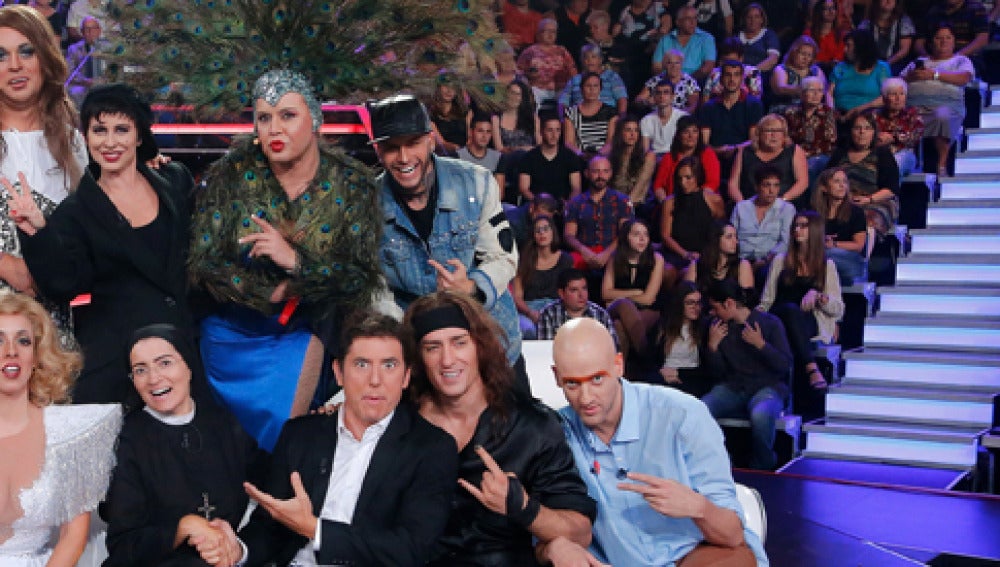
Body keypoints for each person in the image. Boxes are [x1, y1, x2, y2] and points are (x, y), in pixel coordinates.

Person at [189, 71, 384, 451]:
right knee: (224, 449)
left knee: (281, 442)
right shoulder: (230, 176)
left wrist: (297, 265)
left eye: (288, 115)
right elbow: (204, 263)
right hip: (229, 332)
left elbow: (359, 277)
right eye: (264, 118)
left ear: (315, 119)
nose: (274, 129)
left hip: (302, 329)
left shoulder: (352, 184)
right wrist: (268, 293)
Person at [14, 84, 197, 410]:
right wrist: (38, 232)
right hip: (117, 361)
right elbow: (64, 284)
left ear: (139, 136)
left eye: (121, 130)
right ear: (86, 137)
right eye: (99, 130)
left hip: (180, 350)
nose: (110, 142)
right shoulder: (76, 211)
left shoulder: (175, 180)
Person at [229, 310, 458, 566]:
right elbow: (269, 528)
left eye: (389, 365)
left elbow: (411, 550)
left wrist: (316, 530)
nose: (375, 380)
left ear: (406, 376)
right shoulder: (300, 434)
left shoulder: (432, 448)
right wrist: (237, 551)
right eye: (362, 364)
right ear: (339, 373)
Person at [540, 317, 766, 566]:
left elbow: (732, 535)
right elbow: (536, 530)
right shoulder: (554, 434)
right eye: (572, 383)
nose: (586, 398)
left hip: (696, 555)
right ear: (557, 377)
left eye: (597, 379)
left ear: (618, 365)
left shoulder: (683, 415)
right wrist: (552, 547)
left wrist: (698, 507)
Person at [404, 291, 597, 566]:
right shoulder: (399, 424)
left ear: (480, 346)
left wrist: (523, 507)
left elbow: (580, 533)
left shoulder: (532, 426)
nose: (447, 360)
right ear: (418, 357)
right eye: (432, 347)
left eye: (459, 343)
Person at [371, 94, 524, 370]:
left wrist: (471, 288)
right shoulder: (367, 205)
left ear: (430, 140)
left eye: (413, 143)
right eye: (392, 148)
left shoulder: (477, 183)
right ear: (378, 151)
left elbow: (503, 257)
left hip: (491, 347)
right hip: (419, 352)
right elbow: (374, 286)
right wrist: (409, 335)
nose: (404, 158)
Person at [103, 324, 268, 567]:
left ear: (189, 366)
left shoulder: (223, 423)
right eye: (140, 370)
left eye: (165, 363)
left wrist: (237, 548)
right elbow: (123, 547)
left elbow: (272, 489)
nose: (154, 378)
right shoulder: (128, 440)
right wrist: (182, 528)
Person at [0, 292, 120, 566]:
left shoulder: (70, 434)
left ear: (36, 356)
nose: (11, 351)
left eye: (23, 340)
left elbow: (72, 537)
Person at [0, 5, 87, 350]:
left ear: (45, 59)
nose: (15, 66)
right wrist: (7, 265)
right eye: (1, 56)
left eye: (26, 51)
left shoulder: (74, 144)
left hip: (52, 328)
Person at [702, 278, 792, 471]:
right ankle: (723, 461)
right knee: (702, 409)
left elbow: (785, 365)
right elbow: (717, 374)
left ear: (729, 303)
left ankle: (763, 465)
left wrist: (761, 346)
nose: (712, 313)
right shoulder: (718, 328)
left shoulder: (770, 323)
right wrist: (713, 348)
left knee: (761, 415)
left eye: (715, 308)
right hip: (733, 387)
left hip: (767, 387)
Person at [759, 210, 844, 390]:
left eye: (803, 226)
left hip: (806, 321)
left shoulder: (826, 266)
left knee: (795, 319)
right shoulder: (781, 261)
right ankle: (811, 368)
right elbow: (767, 300)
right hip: (779, 316)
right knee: (790, 310)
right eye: (795, 226)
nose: (797, 230)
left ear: (815, 230)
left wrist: (819, 296)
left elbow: (838, 308)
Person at [901, 23, 975, 177]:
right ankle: (909, 162)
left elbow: (964, 78)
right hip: (914, 106)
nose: (944, 41)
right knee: (905, 117)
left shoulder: (960, 60)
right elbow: (900, 81)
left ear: (954, 41)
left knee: (942, 115)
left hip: (946, 105)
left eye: (948, 38)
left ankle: (941, 164)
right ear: (931, 42)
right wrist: (911, 77)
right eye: (939, 38)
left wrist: (934, 75)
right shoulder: (919, 61)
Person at [826, 111, 901, 234]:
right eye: (857, 128)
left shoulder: (883, 154)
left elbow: (891, 189)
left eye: (867, 128)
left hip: (875, 201)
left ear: (873, 132)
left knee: (867, 218)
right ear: (851, 131)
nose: (862, 132)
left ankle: (862, 245)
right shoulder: (839, 154)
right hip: (841, 201)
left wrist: (868, 199)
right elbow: (826, 180)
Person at [603, 218, 665, 360]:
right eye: (637, 234)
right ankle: (647, 359)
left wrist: (617, 295)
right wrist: (635, 292)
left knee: (619, 326)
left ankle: (621, 370)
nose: (642, 239)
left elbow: (648, 299)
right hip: (617, 308)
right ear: (626, 237)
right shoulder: (615, 258)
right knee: (623, 304)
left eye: (646, 234)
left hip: (648, 309)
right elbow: (605, 293)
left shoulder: (656, 259)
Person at [563, 155, 633, 273]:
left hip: (613, 252)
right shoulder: (575, 202)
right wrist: (585, 251)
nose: (601, 176)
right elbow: (569, 235)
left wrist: (606, 254)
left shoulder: (622, 200)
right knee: (565, 263)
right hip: (583, 252)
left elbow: (625, 233)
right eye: (596, 171)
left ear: (610, 173)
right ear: (587, 173)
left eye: (605, 171)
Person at [698, 60, 765, 180]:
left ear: (742, 79)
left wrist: (735, 149)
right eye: (728, 75)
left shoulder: (753, 105)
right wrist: (718, 150)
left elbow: (753, 140)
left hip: (743, 156)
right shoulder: (709, 107)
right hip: (714, 156)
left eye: (736, 75)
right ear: (721, 79)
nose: (732, 79)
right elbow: (704, 143)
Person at [660, 156, 726, 270]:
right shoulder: (669, 202)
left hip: (704, 255)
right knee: (668, 271)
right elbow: (666, 236)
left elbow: (720, 230)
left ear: (698, 177)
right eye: (680, 178)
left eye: (688, 178)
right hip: (677, 254)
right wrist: (685, 254)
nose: (683, 183)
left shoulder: (714, 200)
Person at [514, 215, 574, 339]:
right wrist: (530, 313)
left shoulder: (565, 260)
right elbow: (517, 297)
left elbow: (570, 290)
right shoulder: (524, 261)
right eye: (538, 230)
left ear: (552, 232)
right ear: (533, 235)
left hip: (556, 308)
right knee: (528, 329)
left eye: (546, 229)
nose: (542, 233)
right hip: (529, 309)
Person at [731, 166, 797, 279]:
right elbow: (732, 237)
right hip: (741, 259)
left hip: (770, 261)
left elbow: (786, 242)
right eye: (767, 185)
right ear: (757, 187)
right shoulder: (741, 208)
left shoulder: (786, 209)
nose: (772, 191)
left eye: (776, 185)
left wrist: (765, 260)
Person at [729, 114, 809, 207]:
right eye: (769, 130)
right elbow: (733, 184)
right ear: (759, 134)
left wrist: (782, 200)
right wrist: (742, 204)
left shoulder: (795, 151)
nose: (774, 135)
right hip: (749, 204)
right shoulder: (744, 152)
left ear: (784, 134)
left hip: (784, 205)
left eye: (779, 130)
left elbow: (802, 182)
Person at [813, 168, 867, 286]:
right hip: (821, 257)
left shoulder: (856, 212)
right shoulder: (814, 212)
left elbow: (858, 246)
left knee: (826, 254)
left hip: (850, 260)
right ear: (824, 187)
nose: (842, 186)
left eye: (845, 182)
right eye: (837, 181)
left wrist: (834, 244)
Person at [537, 268, 620, 343]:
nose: (581, 295)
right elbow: (546, 349)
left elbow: (613, 349)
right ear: (561, 293)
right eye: (574, 290)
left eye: (584, 288)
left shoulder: (600, 314)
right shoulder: (549, 314)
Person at [651, 115, 721, 201]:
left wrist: (696, 200)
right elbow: (658, 186)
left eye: (695, 131)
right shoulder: (669, 157)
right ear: (679, 135)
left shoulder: (708, 154)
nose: (691, 136)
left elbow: (713, 182)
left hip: (702, 200)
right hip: (674, 202)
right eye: (686, 132)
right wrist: (666, 201)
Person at [827, 29, 891, 124]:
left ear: (861, 47)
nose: (844, 50)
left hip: (869, 117)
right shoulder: (840, 67)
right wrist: (831, 113)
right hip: (840, 117)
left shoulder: (881, 68)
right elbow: (829, 93)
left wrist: (860, 109)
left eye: (848, 46)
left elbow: (887, 96)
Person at [783, 76, 838, 184]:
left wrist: (806, 154)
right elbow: (785, 136)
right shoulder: (790, 112)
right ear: (802, 93)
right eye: (812, 90)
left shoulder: (828, 112)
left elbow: (829, 140)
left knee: (810, 166)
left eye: (820, 91)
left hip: (820, 155)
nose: (816, 94)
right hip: (795, 154)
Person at [518, 114, 584, 204]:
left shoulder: (570, 157)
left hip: (563, 206)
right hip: (536, 205)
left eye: (558, 130)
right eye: (550, 130)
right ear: (541, 132)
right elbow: (524, 189)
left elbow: (576, 188)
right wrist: (541, 204)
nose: (554, 135)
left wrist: (568, 204)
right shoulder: (529, 158)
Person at [518, 19, 578, 110]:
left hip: (559, 89)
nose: (550, 35)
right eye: (547, 31)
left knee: (570, 99)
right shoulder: (530, 51)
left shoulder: (562, 51)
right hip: (537, 88)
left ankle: (565, 119)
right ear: (539, 34)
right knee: (530, 98)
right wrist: (529, 76)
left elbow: (573, 71)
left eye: (553, 32)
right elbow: (519, 71)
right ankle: (533, 119)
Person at [686, 220, 755, 299]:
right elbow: (686, 298)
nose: (736, 241)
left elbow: (747, 300)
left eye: (735, 237)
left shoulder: (743, 265)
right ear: (716, 239)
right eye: (729, 237)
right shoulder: (696, 265)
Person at [652, 6, 717, 83]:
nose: (693, 22)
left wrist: (685, 81)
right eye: (688, 19)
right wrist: (669, 81)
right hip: (668, 82)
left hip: (696, 82)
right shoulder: (665, 40)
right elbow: (657, 67)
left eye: (695, 18)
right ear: (678, 22)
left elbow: (708, 67)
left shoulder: (706, 38)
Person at [558, 44, 629, 114]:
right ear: (582, 61)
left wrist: (621, 117)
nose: (590, 60)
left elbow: (622, 99)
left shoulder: (612, 76)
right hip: (579, 117)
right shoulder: (574, 80)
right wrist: (562, 118)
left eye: (593, 57)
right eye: (586, 57)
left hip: (607, 115)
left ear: (600, 60)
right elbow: (562, 102)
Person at [874, 78, 924, 177]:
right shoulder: (875, 115)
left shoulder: (913, 113)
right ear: (884, 98)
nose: (898, 98)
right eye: (893, 94)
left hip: (905, 154)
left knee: (894, 163)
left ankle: (890, 187)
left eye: (902, 94)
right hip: (879, 154)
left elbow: (914, 137)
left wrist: (892, 137)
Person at [562, 72, 619, 157]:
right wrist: (582, 155)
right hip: (579, 157)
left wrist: (597, 156)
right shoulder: (571, 113)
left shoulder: (611, 112)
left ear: (600, 89)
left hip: (603, 158)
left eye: (595, 86)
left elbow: (610, 142)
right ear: (581, 89)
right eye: (588, 86)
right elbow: (569, 143)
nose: (592, 89)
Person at [608, 115, 657, 206]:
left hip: (637, 204)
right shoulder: (613, 156)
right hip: (614, 202)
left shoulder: (648, 156)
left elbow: (640, 185)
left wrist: (627, 204)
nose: (632, 134)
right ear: (620, 133)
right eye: (628, 130)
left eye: (636, 130)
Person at [770, 35, 827, 114]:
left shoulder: (816, 70)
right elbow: (780, 88)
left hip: (811, 109)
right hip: (785, 107)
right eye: (803, 54)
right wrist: (803, 89)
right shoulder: (781, 69)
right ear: (794, 53)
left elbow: (824, 89)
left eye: (809, 55)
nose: (806, 58)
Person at [915, 0, 990, 59]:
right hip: (934, 59)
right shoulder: (932, 10)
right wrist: (926, 57)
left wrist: (956, 57)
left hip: (966, 58)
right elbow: (919, 42)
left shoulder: (975, 8)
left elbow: (982, 39)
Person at [635, 49, 701, 116]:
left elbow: (692, 107)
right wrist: (646, 102)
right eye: (669, 63)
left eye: (677, 63)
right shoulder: (655, 81)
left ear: (681, 65)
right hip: (655, 117)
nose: (673, 66)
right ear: (664, 65)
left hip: (679, 118)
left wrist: (675, 117)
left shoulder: (689, 82)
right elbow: (638, 100)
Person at [858, 0, 916, 74]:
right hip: (872, 65)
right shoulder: (867, 23)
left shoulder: (904, 21)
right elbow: (861, 47)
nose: (888, 1)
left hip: (896, 65)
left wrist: (886, 63)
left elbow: (904, 50)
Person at [701, 38, 765, 104]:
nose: (729, 64)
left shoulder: (752, 72)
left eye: (733, 61)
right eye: (726, 61)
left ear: (741, 58)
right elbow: (705, 99)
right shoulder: (714, 73)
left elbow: (756, 100)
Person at [458, 113, 508, 191]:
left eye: (488, 132)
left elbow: (499, 192)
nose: (484, 136)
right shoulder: (458, 156)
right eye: (480, 131)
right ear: (471, 132)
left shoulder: (498, 158)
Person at [639, 78, 689, 156]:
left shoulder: (683, 117)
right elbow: (645, 150)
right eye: (658, 93)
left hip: (676, 155)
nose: (662, 96)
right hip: (654, 157)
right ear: (654, 97)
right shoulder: (646, 120)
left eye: (666, 93)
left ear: (672, 96)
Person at [492, 80, 541, 154]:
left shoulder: (533, 118)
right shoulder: (496, 118)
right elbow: (499, 148)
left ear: (523, 98)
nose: (514, 97)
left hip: (530, 157)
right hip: (507, 158)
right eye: (512, 93)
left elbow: (540, 145)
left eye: (518, 94)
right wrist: (519, 149)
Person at [428, 76, 473, 155]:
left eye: (453, 87)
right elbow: (440, 143)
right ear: (438, 88)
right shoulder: (431, 114)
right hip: (444, 156)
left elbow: (470, 137)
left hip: (466, 154)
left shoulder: (465, 112)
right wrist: (456, 148)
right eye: (446, 86)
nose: (449, 91)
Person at [65, 16, 103, 108]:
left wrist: (102, 81)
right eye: (87, 29)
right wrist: (85, 81)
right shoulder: (73, 49)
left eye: (93, 28)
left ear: (99, 31)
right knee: (72, 91)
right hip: (83, 85)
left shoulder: (109, 48)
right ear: (82, 32)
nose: (90, 32)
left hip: (104, 83)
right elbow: (69, 72)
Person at [805, 0, 849, 71]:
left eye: (833, 8)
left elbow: (839, 59)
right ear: (820, 12)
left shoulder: (841, 35)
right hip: (811, 69)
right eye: (826, 8)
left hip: (833, 71)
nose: (830, 11)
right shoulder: (809, 33)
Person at [739, 3, 781, 72]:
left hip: (761, 74)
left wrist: (753, 71)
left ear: (762, 19)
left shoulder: (769, 35)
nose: (753, 20)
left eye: (756, 17)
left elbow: (773, 58)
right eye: (749, 17)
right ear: (744, 19)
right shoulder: (737, 36)